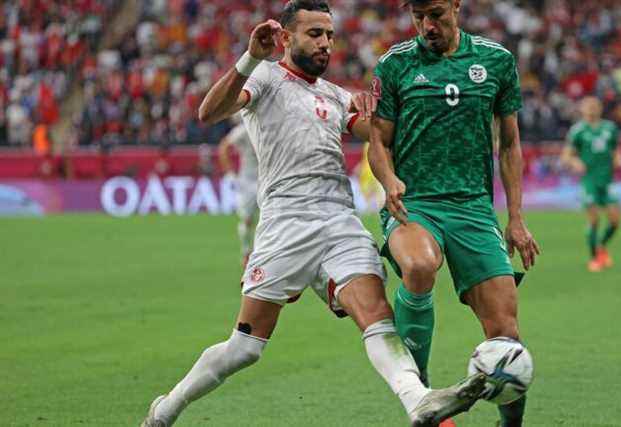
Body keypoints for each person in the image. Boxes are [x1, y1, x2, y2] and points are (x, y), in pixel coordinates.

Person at [140, 2, 486, 427]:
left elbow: (386, 136)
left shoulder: (336, 95)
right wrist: (250, 57)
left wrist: (388, 108)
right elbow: (209, 113)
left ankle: (419, 401)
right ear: (286, 38)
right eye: (314, 34)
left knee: (376, 316)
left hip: (339, 220)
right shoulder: (265, 77)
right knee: (246, 347)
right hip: (286, 223)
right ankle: (166, 409)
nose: (325, 43)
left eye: (329, 35)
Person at [367, 1, 540, 426]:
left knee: (506, 335)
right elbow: (378, 140)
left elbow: (511, 143)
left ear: (457, 7)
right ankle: (424, 397)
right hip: (415, 204)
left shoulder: (495, 61)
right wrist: (388, 180)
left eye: (437, 13)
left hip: (474, 208)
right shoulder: (394, 65)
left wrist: (515, 217)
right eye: (419, 16)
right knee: (421, 265)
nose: (428, 25)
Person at [560, 96, 621, 272]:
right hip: (589, 180)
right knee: (594, 220)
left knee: (615, 221)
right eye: (588, 106)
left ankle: (601, 246)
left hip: (608, 179)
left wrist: (619, 158)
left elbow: (616, 148)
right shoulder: (578, 131)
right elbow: (565, 156)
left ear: (600, 108)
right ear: (581, 109)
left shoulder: (610, 128)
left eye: (595, 106)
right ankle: (594, 258)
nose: (591, 109)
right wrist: (575, 162)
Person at [218, 119, 260, 266]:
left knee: (270, 219)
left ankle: (264, 253)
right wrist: (230, 173)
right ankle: (246, 252)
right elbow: (224, 147)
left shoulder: (271, 125)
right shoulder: (244, 130)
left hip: (268, 180)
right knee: (247, 219)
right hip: (247, 181)